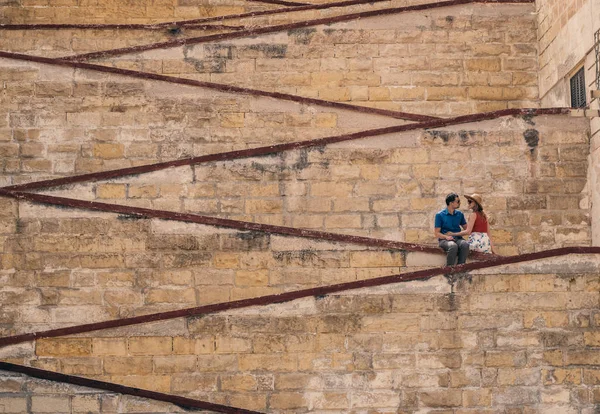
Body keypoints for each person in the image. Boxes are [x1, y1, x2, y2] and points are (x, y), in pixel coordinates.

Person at [434, 192, 469, 266]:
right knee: (453, 246)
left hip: (458, 239)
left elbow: (467, 229)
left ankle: (460, 267)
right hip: (444, 240)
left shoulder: (460, 214)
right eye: (458, 201)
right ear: (451, 203)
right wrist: (446, 237)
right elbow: (437, 233)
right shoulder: (439, 215)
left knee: (465, 244)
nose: (460, 203)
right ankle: (449, 269)